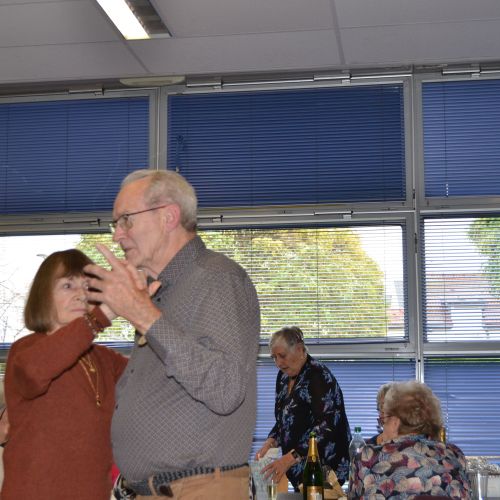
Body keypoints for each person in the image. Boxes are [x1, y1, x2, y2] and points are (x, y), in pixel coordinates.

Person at [84, 169, 260, 499]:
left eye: (126, 220)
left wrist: (144, 315)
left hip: (199, 489)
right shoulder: (159, 291)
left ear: (168, 216)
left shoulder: (216, 279)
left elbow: (225, 389)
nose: (117, 236)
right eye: (115, 224)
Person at [1, 249, 128, 500]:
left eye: (88, 287)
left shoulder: (105, 359)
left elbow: (151, 376)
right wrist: (103, 315)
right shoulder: (25, 350)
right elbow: (35, 372)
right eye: (68, 286)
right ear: (44, 296)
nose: (81, 295)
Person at [255, 326, 351, 491]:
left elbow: (327, 426)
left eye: (282, 356)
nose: (278, 363)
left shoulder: (318, 376)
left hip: (324, 468)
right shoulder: (283, 376)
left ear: (299, 350)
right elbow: (285, 419)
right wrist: (270, 441)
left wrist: (290, 458)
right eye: (274, 357)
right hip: (299, 470)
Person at [348, 380, 471, 499]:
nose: (383, 427)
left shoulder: (366, 458)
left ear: (395, 421)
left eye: (383, 421)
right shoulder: (455, 455)